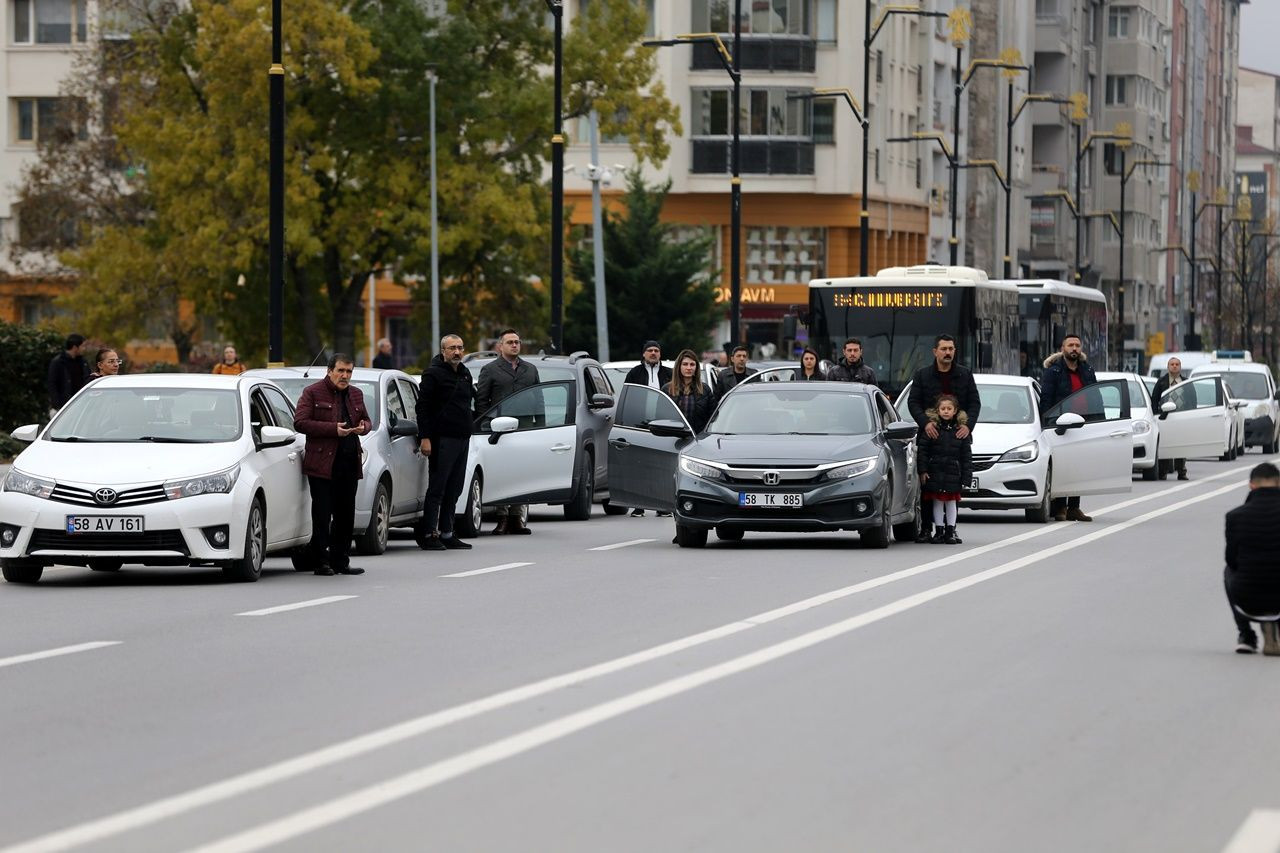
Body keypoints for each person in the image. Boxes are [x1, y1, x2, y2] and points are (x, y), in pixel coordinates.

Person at [293, 353, 371, 576]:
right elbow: (300, 422)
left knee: (346, 514)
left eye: (349, 372)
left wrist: (363, 427)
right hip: (322, 464)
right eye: (341, 371)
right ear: (329, 371)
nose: (345, 376)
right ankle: (321, 561)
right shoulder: (313, 392)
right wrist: (332, 429)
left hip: (349, 462)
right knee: (322, 514)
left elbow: (366, 420)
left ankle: (341, 561)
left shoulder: (356, 394)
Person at [907, 334, 981, 543]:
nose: (948, 352)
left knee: (952, 484)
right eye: (944, 349)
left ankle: (951, 529)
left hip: (956, 437)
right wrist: (926, 423)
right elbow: (913, 402)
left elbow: (975, 403)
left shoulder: (964, 375)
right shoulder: (922, 375)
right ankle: (926, 528)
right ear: (935, 352)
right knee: (927, 484)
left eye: (951, 349)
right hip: (931, 436)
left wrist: (967, 426)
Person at [475, 328, 539, 535]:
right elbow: (482, 400)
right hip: (499, 428)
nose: (514, 345)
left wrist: (541, 424)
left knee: (522, 471)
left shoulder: (530, 369)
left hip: (525, 427)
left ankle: (517, 518)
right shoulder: (490, 370)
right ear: (500, 346)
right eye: (510, 342)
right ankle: (502, 517)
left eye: (517, 342)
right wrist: (485, 424)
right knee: (503, 471)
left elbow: (539, 399)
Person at [415, 334, 476, 551]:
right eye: (452, 348)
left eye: (460, 347)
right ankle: (430, 533)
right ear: (443, 351)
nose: (457, 352)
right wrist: (425, 438)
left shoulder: (465, 373)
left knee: (455, 488)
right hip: (441, 440)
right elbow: (422, 408)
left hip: (462, 438)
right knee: (438, 488)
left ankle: (447, 532)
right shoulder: (433, 374)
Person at [1039, 334, 1097, 521]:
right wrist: (1047, 422)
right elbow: (1046, 399)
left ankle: (1074, 507)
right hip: (1060, 426)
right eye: (1070, 345)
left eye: (1077, 345)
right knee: (1062, 466)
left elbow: (1095, 396)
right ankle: (1059, 507)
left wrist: (1099, 419)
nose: (1074, 348)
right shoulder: (1053, 371)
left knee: (1079, 467)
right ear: (1062, 348)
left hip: (1083, 425)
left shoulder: (1087, 370)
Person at [1224, 462, 1280, 654]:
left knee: (1228, 571)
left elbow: (1231, 560)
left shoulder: (1235, 517)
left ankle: (1246, 635)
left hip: (1248, 600)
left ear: (1251, 485)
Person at [918, 394, 972, 545]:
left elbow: (966, 457)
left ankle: (950, 531)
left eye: (949, 409)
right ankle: (939, 531)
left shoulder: (961, 431)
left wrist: (966, 477)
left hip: (953, 473)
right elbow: (923, 451)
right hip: (934, 472)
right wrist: (923, 470)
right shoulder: (931, 430)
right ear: (938, 410)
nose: (946, 411)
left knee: (951, 503)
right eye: (943, 409)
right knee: (937, 502)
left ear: (955, 411)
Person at [1151, 356, 1189, 480]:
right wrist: (1157, 415)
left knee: (1181, 445)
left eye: (1177, 364)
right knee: (1165, 445)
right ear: (1168, 367)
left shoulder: (1186, 383)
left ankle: (1181, 472)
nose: (1174, 366)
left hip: (1181, 419)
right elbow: (1154, 400)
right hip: (1165, 419)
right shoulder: (1161, 382)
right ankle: (1163, 472)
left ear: (1180, 367)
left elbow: (1192, 400)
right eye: (1172, 364)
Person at [665, 349, 715, 434]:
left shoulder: (705, 390)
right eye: (685, 364)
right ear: (679, 367)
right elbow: (661, 418)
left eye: (692, 364)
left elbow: (713, 418)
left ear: (696, 367)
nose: (689, 368)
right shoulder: (667, 389)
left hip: (698, 439)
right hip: (672, 438)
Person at [47, 333, 89, 415]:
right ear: (75, 347)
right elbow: (52, 384)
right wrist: (57, 404)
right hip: (62, 408)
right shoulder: (58, 362)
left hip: (81, 405)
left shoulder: (83, 362)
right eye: (82, 346)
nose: (84, 349)